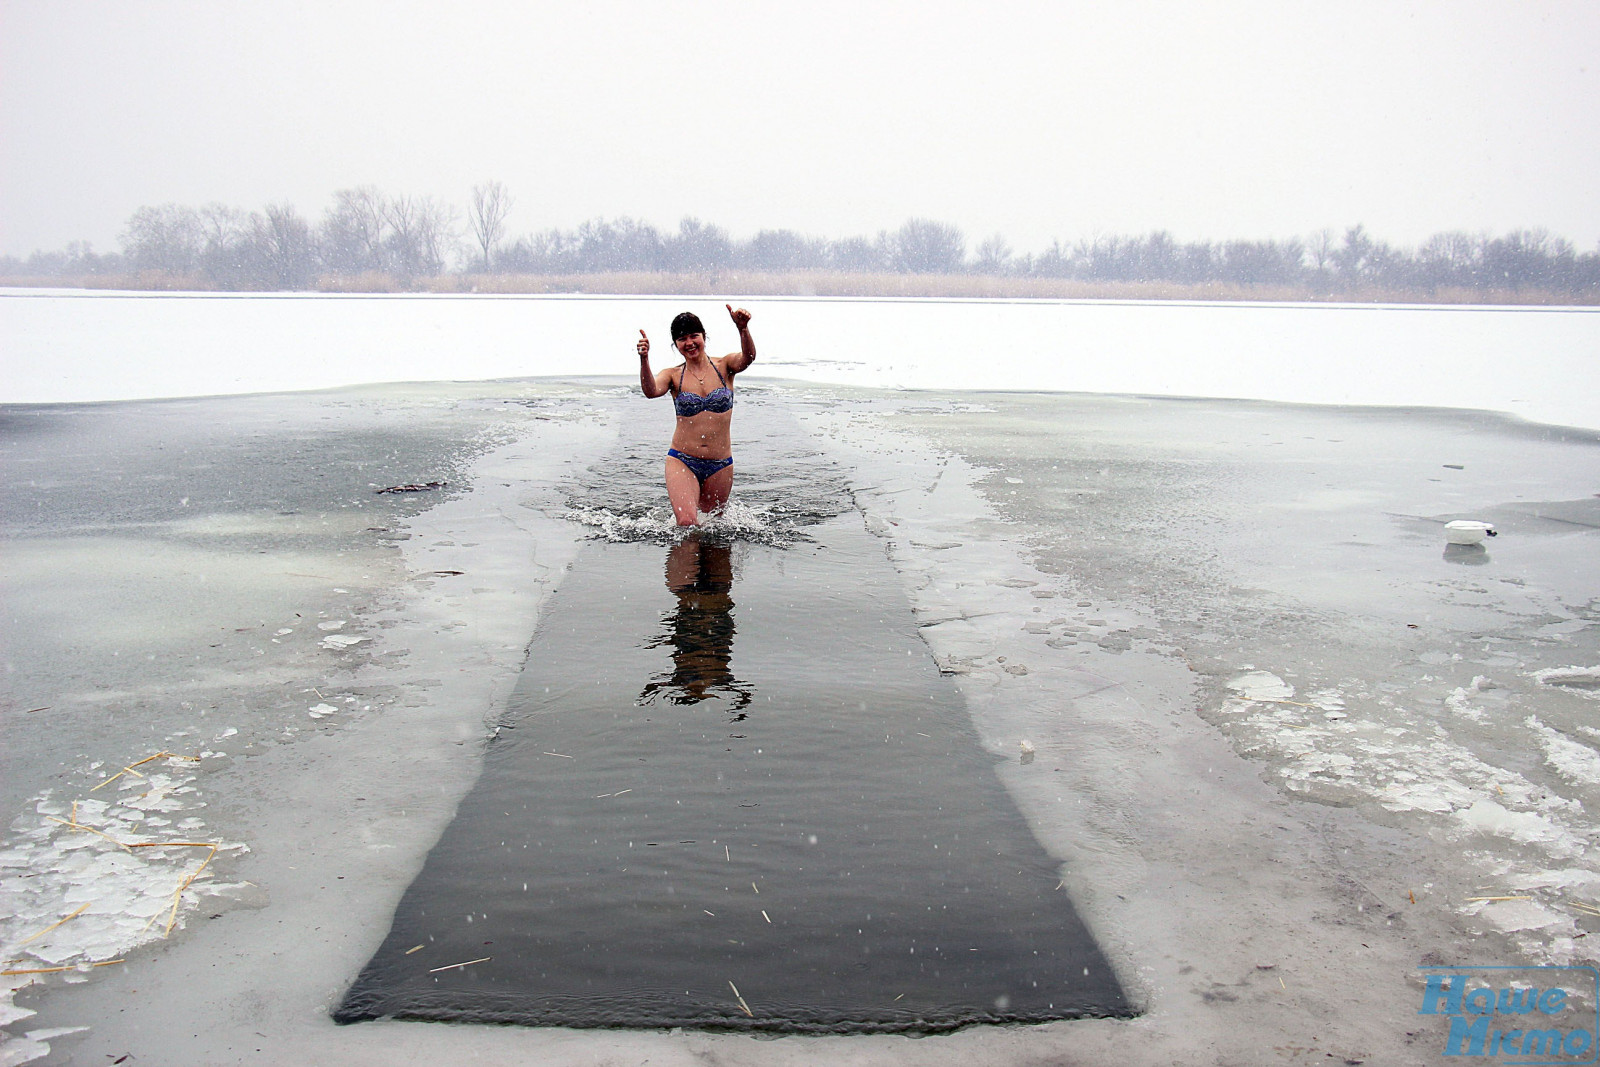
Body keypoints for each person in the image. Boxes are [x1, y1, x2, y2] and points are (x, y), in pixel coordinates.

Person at [636, 304, 756, 526]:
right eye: (682, 339)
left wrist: (743, 329)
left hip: (720, 463)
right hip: (682, 460)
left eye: (694, 336)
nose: (689, 343)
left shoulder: (724, 366)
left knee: (713, 528)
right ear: (676, 345)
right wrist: (644, 360)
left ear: (704, 337)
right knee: (687, 523)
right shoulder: (673, 375)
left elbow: (748, 357)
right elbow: (651, 391)